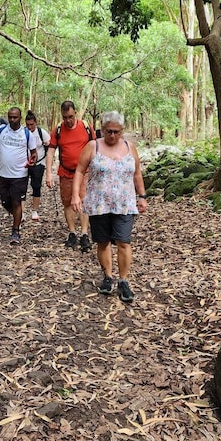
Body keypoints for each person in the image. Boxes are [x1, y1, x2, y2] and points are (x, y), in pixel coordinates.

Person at [71, 110, 147, 303]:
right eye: (109, 131)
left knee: (123, 241)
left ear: (122, 131)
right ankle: (108, 276)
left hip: (124, 204)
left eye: (117, 132)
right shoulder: (93, 146)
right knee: (103, 241)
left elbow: (137, 173)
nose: (112, 135)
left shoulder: (130, 147)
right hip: (99, 204)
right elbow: (79, 170)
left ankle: (123, 280)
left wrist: (142, 196)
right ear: (102, 129)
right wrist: (75, 195)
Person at [0, 107, 38, 245]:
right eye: (10, 117)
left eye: (15, 117)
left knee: (17, 202)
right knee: (5, 202)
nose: (12, 120)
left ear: (20, 117)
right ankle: (18, 216)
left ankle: (15, 231)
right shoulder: (1, 130)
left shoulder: (26, 133)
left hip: (20, 174)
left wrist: (32, 161)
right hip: (3, 174)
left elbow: (34, 153)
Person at [45, 100, 95, 252]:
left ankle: (84, 234)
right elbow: (51, 151)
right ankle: (72, 232)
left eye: (71, 117)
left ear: (76, 113)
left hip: (84, 172)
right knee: (67, 202)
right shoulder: (58, 130)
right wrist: (48, 173)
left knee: (83, 201)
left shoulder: (86, 127)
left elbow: (95, 147)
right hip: (65, 172)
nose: (68, 120)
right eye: (65, 117)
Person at [24, 111, 50, 221]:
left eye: (32, 125)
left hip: (39, 163)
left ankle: (34, 210)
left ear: (36, 123)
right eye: (28, 125)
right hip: (25, 163)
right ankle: (21, 212)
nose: (29, 127)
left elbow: (49, 144)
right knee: (22, 187)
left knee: (36, 186)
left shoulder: (41, 132)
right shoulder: (23, 133)